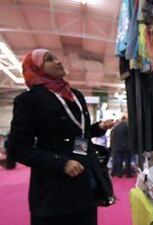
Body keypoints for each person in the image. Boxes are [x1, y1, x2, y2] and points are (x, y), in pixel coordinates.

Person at [7, 49, 115, 225]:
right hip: (53, 191)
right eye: (49, 60)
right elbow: (17, 148)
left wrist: (99, 127)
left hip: (85, 185)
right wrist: (61, 163)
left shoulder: (76, 95)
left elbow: (79, 134)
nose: (58, 61)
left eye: (57, 57)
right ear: (36, 68)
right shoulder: (29, 100)